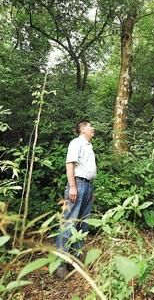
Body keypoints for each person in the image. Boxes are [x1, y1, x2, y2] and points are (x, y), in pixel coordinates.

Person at [55, 119, 96, 279]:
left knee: (82, 224)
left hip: (87, 186)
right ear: (83, 129)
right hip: (77, 185)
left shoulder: (88, 146)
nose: (93, 129)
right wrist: (72, 186)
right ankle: (60, 265)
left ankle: (77, 260)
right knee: (69, 223)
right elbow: (70, 164)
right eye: (90, 127)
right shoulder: (76, 143)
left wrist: (90, 190)